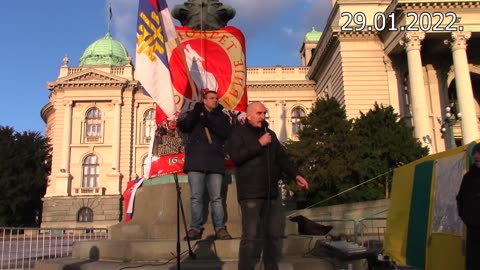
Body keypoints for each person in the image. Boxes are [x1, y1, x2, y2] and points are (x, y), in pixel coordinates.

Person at [229, 102, 309, 270]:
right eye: (259, 113)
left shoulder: (269, 134)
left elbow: (282, 159)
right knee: (250, 236)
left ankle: (271, 267)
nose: (263, 116)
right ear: (249, 115)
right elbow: (236, 157)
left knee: (272, 235)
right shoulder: (238, 133)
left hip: (270, 192)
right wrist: (259, 144)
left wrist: (296, 175)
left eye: (264, 113)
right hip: (250, 193)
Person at [177, 90, 232, 240]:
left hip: (215, 161)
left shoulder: (221, 116)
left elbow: (226, 133)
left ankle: (220, 228)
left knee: (217, 198)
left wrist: (210, 122)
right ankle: (195, 228)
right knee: (196, 197)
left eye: (216, 98)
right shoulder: (195, 113)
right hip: (196, 160)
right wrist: (196, 113)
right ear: (205, 100)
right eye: (212, 98)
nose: (215, 100)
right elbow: (184, 127)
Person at [457, 143, 480, 270]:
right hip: (474, 228)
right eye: (475, 153)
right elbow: (460, 199)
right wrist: (467, 218)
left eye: (479, 153)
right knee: (474, 261)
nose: (476, 156)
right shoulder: (469, 177)